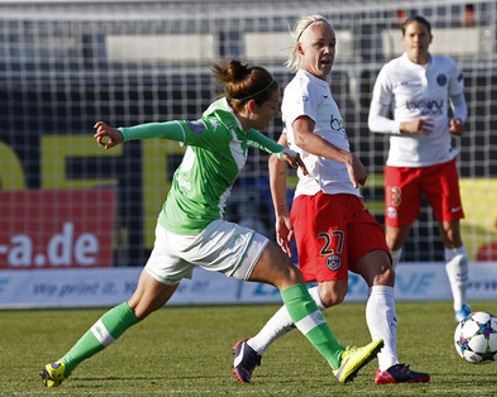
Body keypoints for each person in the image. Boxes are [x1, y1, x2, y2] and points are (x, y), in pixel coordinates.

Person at [39, 59, 384, 388]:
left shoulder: (231, 115)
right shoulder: (216, 129)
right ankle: (337, 358)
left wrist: (277, 150)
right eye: (272, 106)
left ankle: (62, 364)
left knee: (138, 306)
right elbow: (175, 128)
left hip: (172, 228)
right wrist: (123, 135)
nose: (276, 112)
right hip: (198, 229)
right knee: (288, 275)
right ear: (251, 107)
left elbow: (246, 135)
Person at [232, 15, 430, 385]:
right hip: (320, 200)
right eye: (320, 44)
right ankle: (254, 347)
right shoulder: (300, 89)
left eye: (332, 44)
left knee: (382, 270)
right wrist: (346, 158)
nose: (327, 51)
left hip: (347, 200)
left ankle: (388, 365)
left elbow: (279, 156)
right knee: (330, 293)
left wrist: (279, 214)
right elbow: (302, 137)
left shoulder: (318, 89)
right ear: (301, 49)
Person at [367, 15, 471, 323]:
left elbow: (460, 104)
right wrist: (404, 125)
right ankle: (384, 300)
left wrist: (458, 121)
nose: (417, 40)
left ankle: (461, 305)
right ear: (403, 39)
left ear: (430, 37)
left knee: (451, 232)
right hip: (402, 166)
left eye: (422, 34)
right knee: (395, 238)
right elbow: (374, 121)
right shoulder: (392, 72)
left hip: (441, 163)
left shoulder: (447, 69)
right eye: (412, 35)